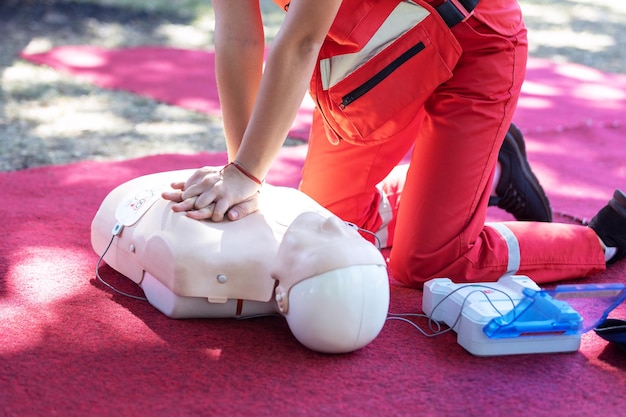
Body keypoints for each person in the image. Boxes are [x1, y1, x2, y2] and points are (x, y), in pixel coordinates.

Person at [163, 0, 625, 288]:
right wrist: (240, 180)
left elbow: (301, 40)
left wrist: (246, 173)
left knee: (429, 264)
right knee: (324, 234)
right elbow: (240, 36)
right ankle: (494, 171)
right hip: (374, 61)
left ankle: (601, 239)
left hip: (476, 45)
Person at [91, 170, 390, 354]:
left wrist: (243, 170)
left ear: (283, 298)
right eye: (350, 236)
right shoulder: (308, 223)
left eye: (325, 244)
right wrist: (243, 168)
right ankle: (395, 192)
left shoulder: (201, 256)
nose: (336, 224)